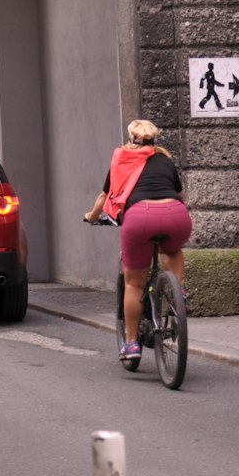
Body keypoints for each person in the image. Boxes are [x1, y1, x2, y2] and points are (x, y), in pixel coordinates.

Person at [85, 119, 192, 361]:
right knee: (172, 249)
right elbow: (180, 194)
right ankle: (177, 292)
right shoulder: (165, 160)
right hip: (176, 215)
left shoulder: (120, 160)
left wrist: (92, 217)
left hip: (140, 218)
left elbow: (105, 195)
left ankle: (132, 344)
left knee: (134, 284)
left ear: (131, 139)